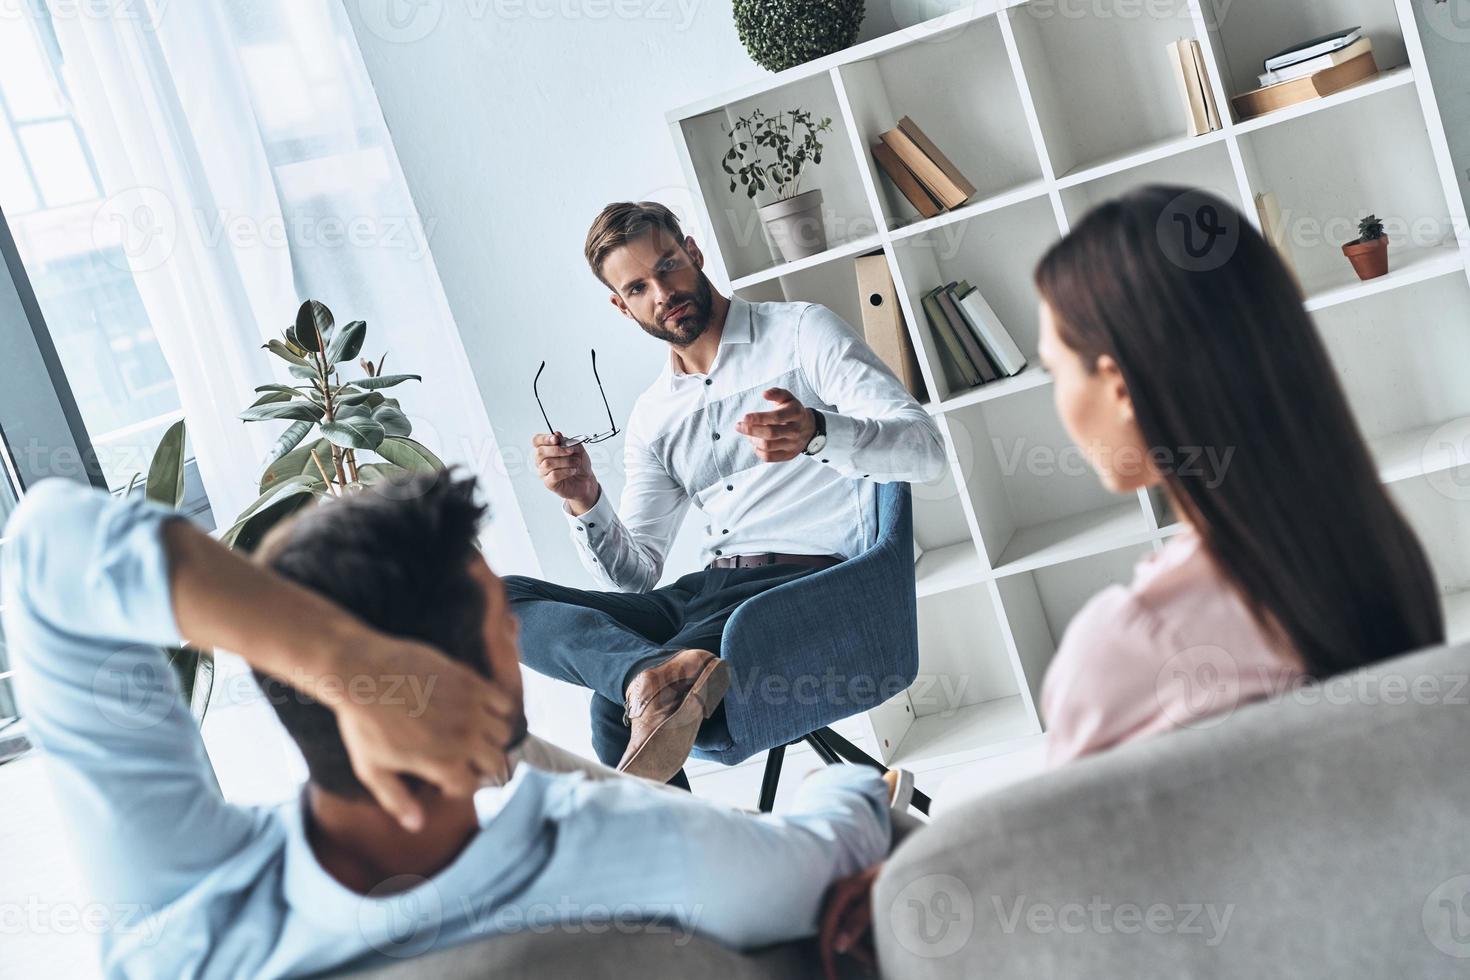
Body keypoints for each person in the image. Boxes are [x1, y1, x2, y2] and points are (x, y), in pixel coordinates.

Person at [817, 186, 1445, 976]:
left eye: (1056, 371)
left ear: (1119, 387)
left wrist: (908, 885)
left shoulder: (1135, 642)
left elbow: (1065, 888)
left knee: (834, 820)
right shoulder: (1382, 553)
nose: (1058, 404)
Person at [5, 473, 895, 978]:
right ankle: (656, 683)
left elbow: (40, 546)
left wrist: (337, 657)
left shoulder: (180, 914)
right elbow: (838, 850)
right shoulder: (616, 848)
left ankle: (649, 682)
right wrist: (839, 782)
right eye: (499, 621)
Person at [509, 201, 947, 784]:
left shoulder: (799, 333)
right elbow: (636, 574)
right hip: (705, 590)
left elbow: (926, 450)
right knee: (498, 602)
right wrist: (586, 499)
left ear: (694, 252)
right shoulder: (654, 416)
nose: (662, 292)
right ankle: (649, 675)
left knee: (609, 708)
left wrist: (820, 432)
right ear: (622, 306)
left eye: (668, 266)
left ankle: (690, 853)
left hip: (800, 588)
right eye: (639, 287)